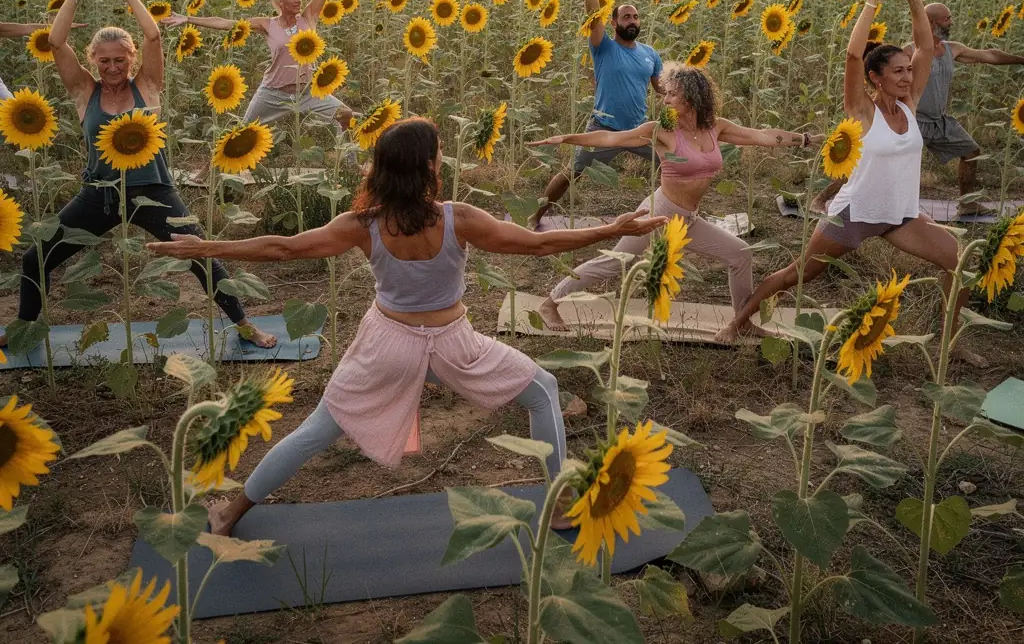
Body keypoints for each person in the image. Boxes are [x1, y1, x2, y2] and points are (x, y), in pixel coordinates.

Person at [147, 117, 667, 537]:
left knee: (316, 431)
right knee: (543, 391)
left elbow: (283, 248)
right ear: (429, 166)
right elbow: (539, 244)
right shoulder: (458, 217)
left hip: (387, 347)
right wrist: (612, 228)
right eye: (438, 153)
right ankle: (561, 504)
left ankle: (230, 512)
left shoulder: (363, 224)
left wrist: (207, 247)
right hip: (455, 346)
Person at [0, 0, 277, 351]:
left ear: (132, 58)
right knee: (35, 258)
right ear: (93, 60)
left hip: (154, 190)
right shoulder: (84, 91)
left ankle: (245, 324)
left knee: (198, 253)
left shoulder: (147, 86)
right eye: (104, 61)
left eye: (120, 59)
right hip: (99, 193)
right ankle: (22, 329)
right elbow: (56, 42)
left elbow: (153, 35)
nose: (113, 67)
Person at [717, 0, 984, 366]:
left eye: (908, 71)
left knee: (958, 259)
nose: (907, 77)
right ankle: (737, 324)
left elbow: (925, 47)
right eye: (898, 72)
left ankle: (951, 341)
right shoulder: (862, 111)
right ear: (876, 78)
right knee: (799, 274)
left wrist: (915, 0)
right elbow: (853, 55)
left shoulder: (910, 105)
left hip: (900, 215)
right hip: (854, 214)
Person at [528, 63, 822, 331]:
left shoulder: (715, 127)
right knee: (615, 263)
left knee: (740, 254)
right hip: (658, 215)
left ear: (691, 98)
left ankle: (740, 321)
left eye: (671, 94)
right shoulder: (661, 131)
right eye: (665, 93)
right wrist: (567, 138)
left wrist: (806, 140)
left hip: (688, 220)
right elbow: (610, 138)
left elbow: (762, 135)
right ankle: (550, 303)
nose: (664, 99)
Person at [813, 1, 1024, 213]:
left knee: (971, 151)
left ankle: (967, 203)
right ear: (930, 22)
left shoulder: (952, 49)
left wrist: (1020, 59)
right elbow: (885, 75)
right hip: (910, 119)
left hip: (939, 121)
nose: (951, 22)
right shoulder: (908, 52)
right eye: (946, 18)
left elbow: (990, 55)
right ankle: (821, 199)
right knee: (867, 160)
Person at [161, 0, 353, 130]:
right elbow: (226, 23)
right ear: (280, 2)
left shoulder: (308, 17)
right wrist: (188, 19)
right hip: (273, 93)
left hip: (308, 92)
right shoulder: (267, 24)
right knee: (244, 130)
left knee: (345, 115)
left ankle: (344, 151)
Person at [531, 0, 663, 227]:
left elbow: (661, 88)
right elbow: (593, 13)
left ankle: (673, 215)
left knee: (672, 163)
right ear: (613, 23)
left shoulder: (650, 54)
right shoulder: (604, 47)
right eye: (626, 17)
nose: (632, 21)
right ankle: (536, 216)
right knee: (572, 173)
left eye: (636, 17)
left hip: (639, 130)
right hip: (604, 128)